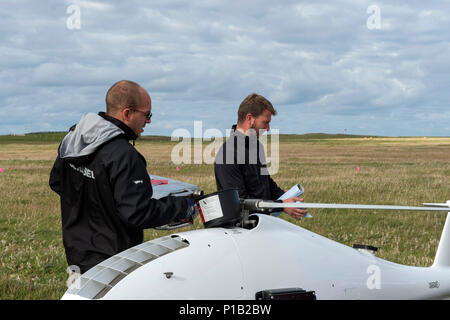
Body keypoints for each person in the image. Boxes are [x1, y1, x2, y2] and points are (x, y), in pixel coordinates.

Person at [49, 80, 196, 274]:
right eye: (147, 114)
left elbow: (57, 182)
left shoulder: (75, 138)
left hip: (76, 252)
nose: (149, 121)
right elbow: (137, 213)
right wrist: (183, 206)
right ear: (127, 113)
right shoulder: (124, 155)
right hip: (114, 260)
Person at [214, 93, 308, 220]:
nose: (268, 129)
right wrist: (281, 206)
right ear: (250, 119)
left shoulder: (256, 146)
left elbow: (265, 181)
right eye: (265, 123)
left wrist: (283, 196)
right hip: (242, 231)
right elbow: (240, 202)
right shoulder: (227, 154)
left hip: (263, 224)